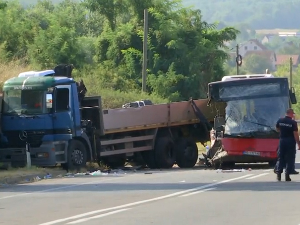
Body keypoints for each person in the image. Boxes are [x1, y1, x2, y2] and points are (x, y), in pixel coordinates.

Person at [275, 108, 300, 181]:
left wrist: (282, 132)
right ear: (291, 113)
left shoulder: (280, 120)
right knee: (289, 158)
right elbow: (295, 134)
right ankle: (287, 175)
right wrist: (299, 143)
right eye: (293, 113)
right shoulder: (293, 122)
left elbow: (277, 129)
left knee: (281, 157)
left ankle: (279, 174)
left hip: (282, 140)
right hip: (290, 141)